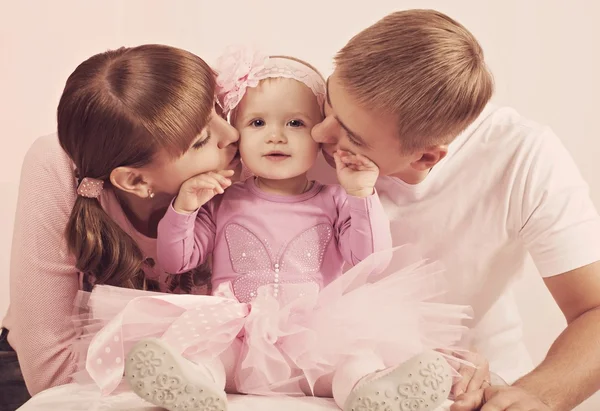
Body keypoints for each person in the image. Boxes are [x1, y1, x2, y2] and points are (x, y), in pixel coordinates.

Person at [72, 48, 476, 411]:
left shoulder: (334, 198)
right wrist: (184, 208)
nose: (276, 135)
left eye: (296, 123)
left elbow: (367, 263)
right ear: (237, 135)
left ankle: (373, 392)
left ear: (321, 136)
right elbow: (176, 261)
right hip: (238, 331)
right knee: (205, 354)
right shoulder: (222, 198)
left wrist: (362, 193)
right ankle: (193, 388)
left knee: (354, 360)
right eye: (258, 122)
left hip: (315, 336)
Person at [310, 8, 600, 411]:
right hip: (324, 380)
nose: (318, 133)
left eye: (352, 138)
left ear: (426, 157)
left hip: (470, 385)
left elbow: (595, 309)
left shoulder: (523, 157)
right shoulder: (294, 123)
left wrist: (536, 395)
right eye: (329, 100)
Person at [0, 44, 240, 410]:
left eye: (218, 112)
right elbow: (49, 374)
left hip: (197, 371)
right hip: (51, 376)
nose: (232, 136)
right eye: (202, 140)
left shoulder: (246, 158)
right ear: (135, 181)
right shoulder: (57, 167)